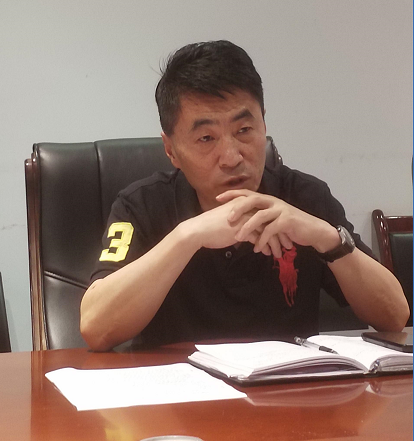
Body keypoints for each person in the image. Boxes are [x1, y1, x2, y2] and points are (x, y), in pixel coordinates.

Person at [80, 40, 409, 351]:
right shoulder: (141, 205)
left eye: (244, 130)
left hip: (289, 387)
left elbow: (395, 316)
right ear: (171, 150)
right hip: (177, 389)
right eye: (206, 138)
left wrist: (326, 237)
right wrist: (188, 236)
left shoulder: (305, 198)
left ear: (264, 124)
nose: (231, 157)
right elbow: (96, 327)